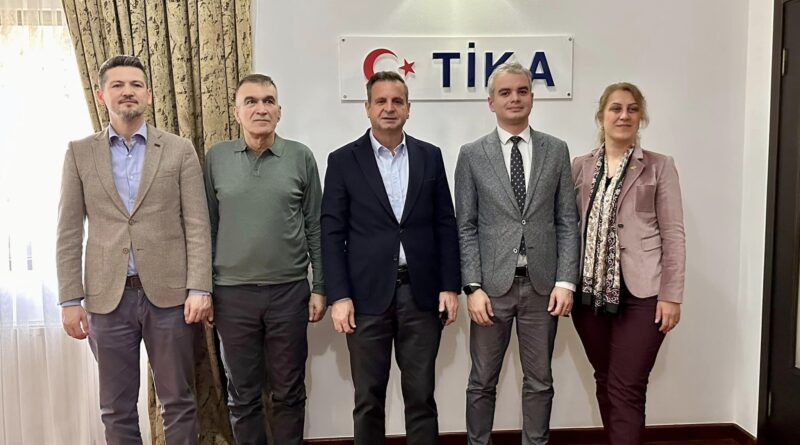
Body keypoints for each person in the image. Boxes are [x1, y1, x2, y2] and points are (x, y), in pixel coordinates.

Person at [57, 54, 212, 444]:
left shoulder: (179, 150)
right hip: (107, 300)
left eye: (136, 85)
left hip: (171, 299)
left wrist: (199, 287)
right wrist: (70, 299)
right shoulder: (79, 152)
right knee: (116, 407)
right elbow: (69, 231)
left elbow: (197, 224)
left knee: (179, 402)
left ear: (149, 94)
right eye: (117, 85)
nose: (127, 91)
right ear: (101, 95)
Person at [320, 70, 461, 445]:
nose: (389, 108)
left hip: (421, 295)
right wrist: (339, 296)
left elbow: (445, 224)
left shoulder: (430, 156)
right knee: (368, 400)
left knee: (421, 397)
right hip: (365, 299)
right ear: (367, 108)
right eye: (380, 101)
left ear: (408, 108)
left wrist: (450, 286)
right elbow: (331, 233)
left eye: (397, 101)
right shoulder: (343, 160)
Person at [455, 61, 580, 445]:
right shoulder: (472, 154)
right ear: (491, 102)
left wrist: (566, 281)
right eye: (505, 92)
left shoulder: (556, 150)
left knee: (540, 381)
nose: (515, 98)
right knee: (481, 381)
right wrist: (472, 286)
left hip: (543, 288)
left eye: (522, 91)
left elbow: (567, 221)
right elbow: (466, 225)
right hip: (491, 290)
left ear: (532, 98)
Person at [203, 74, 325, 445]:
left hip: (289, 293)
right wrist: (205, 290)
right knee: (243, 395)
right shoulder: (216, 158)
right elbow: (207, 228)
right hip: (232, 295)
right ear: (236, 112)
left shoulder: (300, 157)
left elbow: (316, 227)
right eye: (251, 102)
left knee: (289, 391)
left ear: (279, 111)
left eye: (268, 101)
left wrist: (320, 287)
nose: (261, 109)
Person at [570, 82, 685, 445]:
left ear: (641, 117)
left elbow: (673, 233)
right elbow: (567, 227)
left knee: (626, 384)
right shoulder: (580, 166)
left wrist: (672, 295)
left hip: (643, 293)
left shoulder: (659, 166)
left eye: (632, 109)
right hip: (590, 295)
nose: (624, 115)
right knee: (605, 379)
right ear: (601, 116)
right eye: (616, 108)